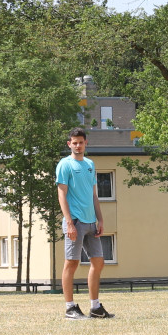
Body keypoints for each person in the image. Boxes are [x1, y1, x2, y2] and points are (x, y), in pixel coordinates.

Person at [55, 128, 113, 320]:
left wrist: (101, 219)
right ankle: (70, 308)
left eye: (81, 142)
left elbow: (93, 195)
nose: (78, 145)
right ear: (69, 144)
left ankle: (95, 307)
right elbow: (61, 194)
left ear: (86, 143)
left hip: (91, 222)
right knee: (71, 263)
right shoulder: (65, 165)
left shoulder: (90, 164)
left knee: (98, 262)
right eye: (74, 142)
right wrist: (70, 223)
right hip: (76, 222)